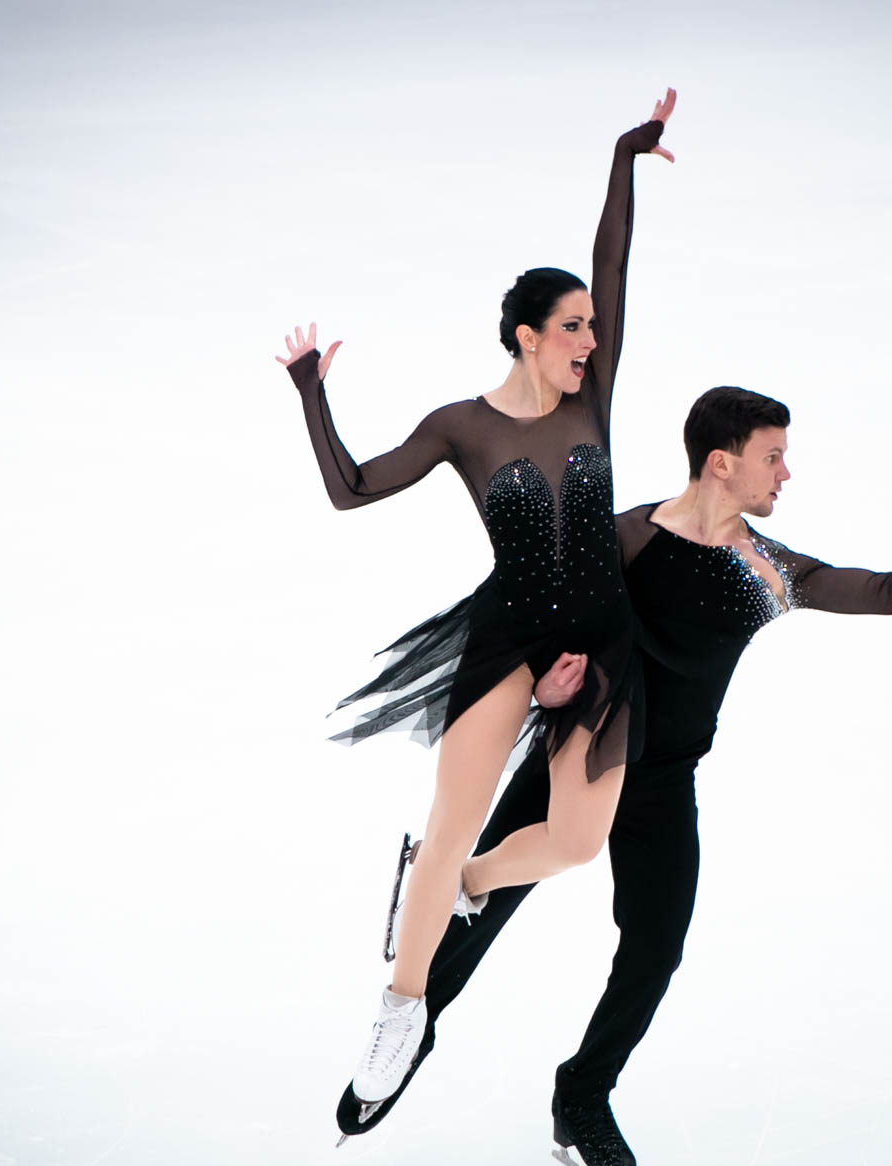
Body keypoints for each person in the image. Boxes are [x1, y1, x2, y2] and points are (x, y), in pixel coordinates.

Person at [334, 386, 892, 1166]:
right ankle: (409, 1032)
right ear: (721, 463)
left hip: (661, 781)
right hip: (578, 754)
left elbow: (886, 593)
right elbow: (543, 618)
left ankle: (582, 1096)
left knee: (655, 946)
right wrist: (545, 686)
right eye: (773, 456)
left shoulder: (768, 571)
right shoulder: (623, 539)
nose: (786, 473)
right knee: (482, 909)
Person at [276, 91, 678, 1112]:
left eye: (593, 326)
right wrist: (312, 392)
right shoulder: (463, 426)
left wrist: (624, 157)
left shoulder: (593, 398)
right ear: (527, 336)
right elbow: (351, 488)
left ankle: (460, 879)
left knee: (576, 842)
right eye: (573, 327)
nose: (591, 338)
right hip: (510, 637)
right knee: (450, 816)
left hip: (604, 638)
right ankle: (401, 1007)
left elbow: (616, 261)